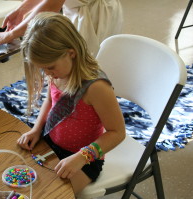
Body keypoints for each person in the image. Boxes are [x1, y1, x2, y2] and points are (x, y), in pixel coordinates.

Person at [16, 12, 125, 195]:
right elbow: (51, 100)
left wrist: (82, 157)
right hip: (51, 142)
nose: (48, 74)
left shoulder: (96, 87)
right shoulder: (58, 73)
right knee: (21, 180)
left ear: (71, 53)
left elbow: (117, 133)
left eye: (50, 67)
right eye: (43, 69)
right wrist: (37, 129)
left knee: (50, 194)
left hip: (85, 159)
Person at [0, 0, 123, 57]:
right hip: (78, 10)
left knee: (85, 63)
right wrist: (20, 10)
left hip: (95, 13)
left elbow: (50, 6)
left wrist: (12, 34)